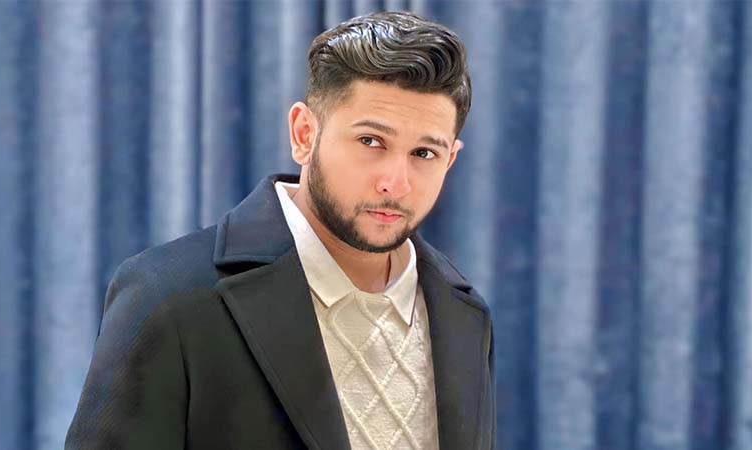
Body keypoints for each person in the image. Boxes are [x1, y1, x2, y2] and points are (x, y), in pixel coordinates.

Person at [66, 11, 494, 450]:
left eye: (423, 153)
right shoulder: (167, 297)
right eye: (370, 141)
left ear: (450, 160)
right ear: (304, 134)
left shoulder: (464, 315)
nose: (395, 182)